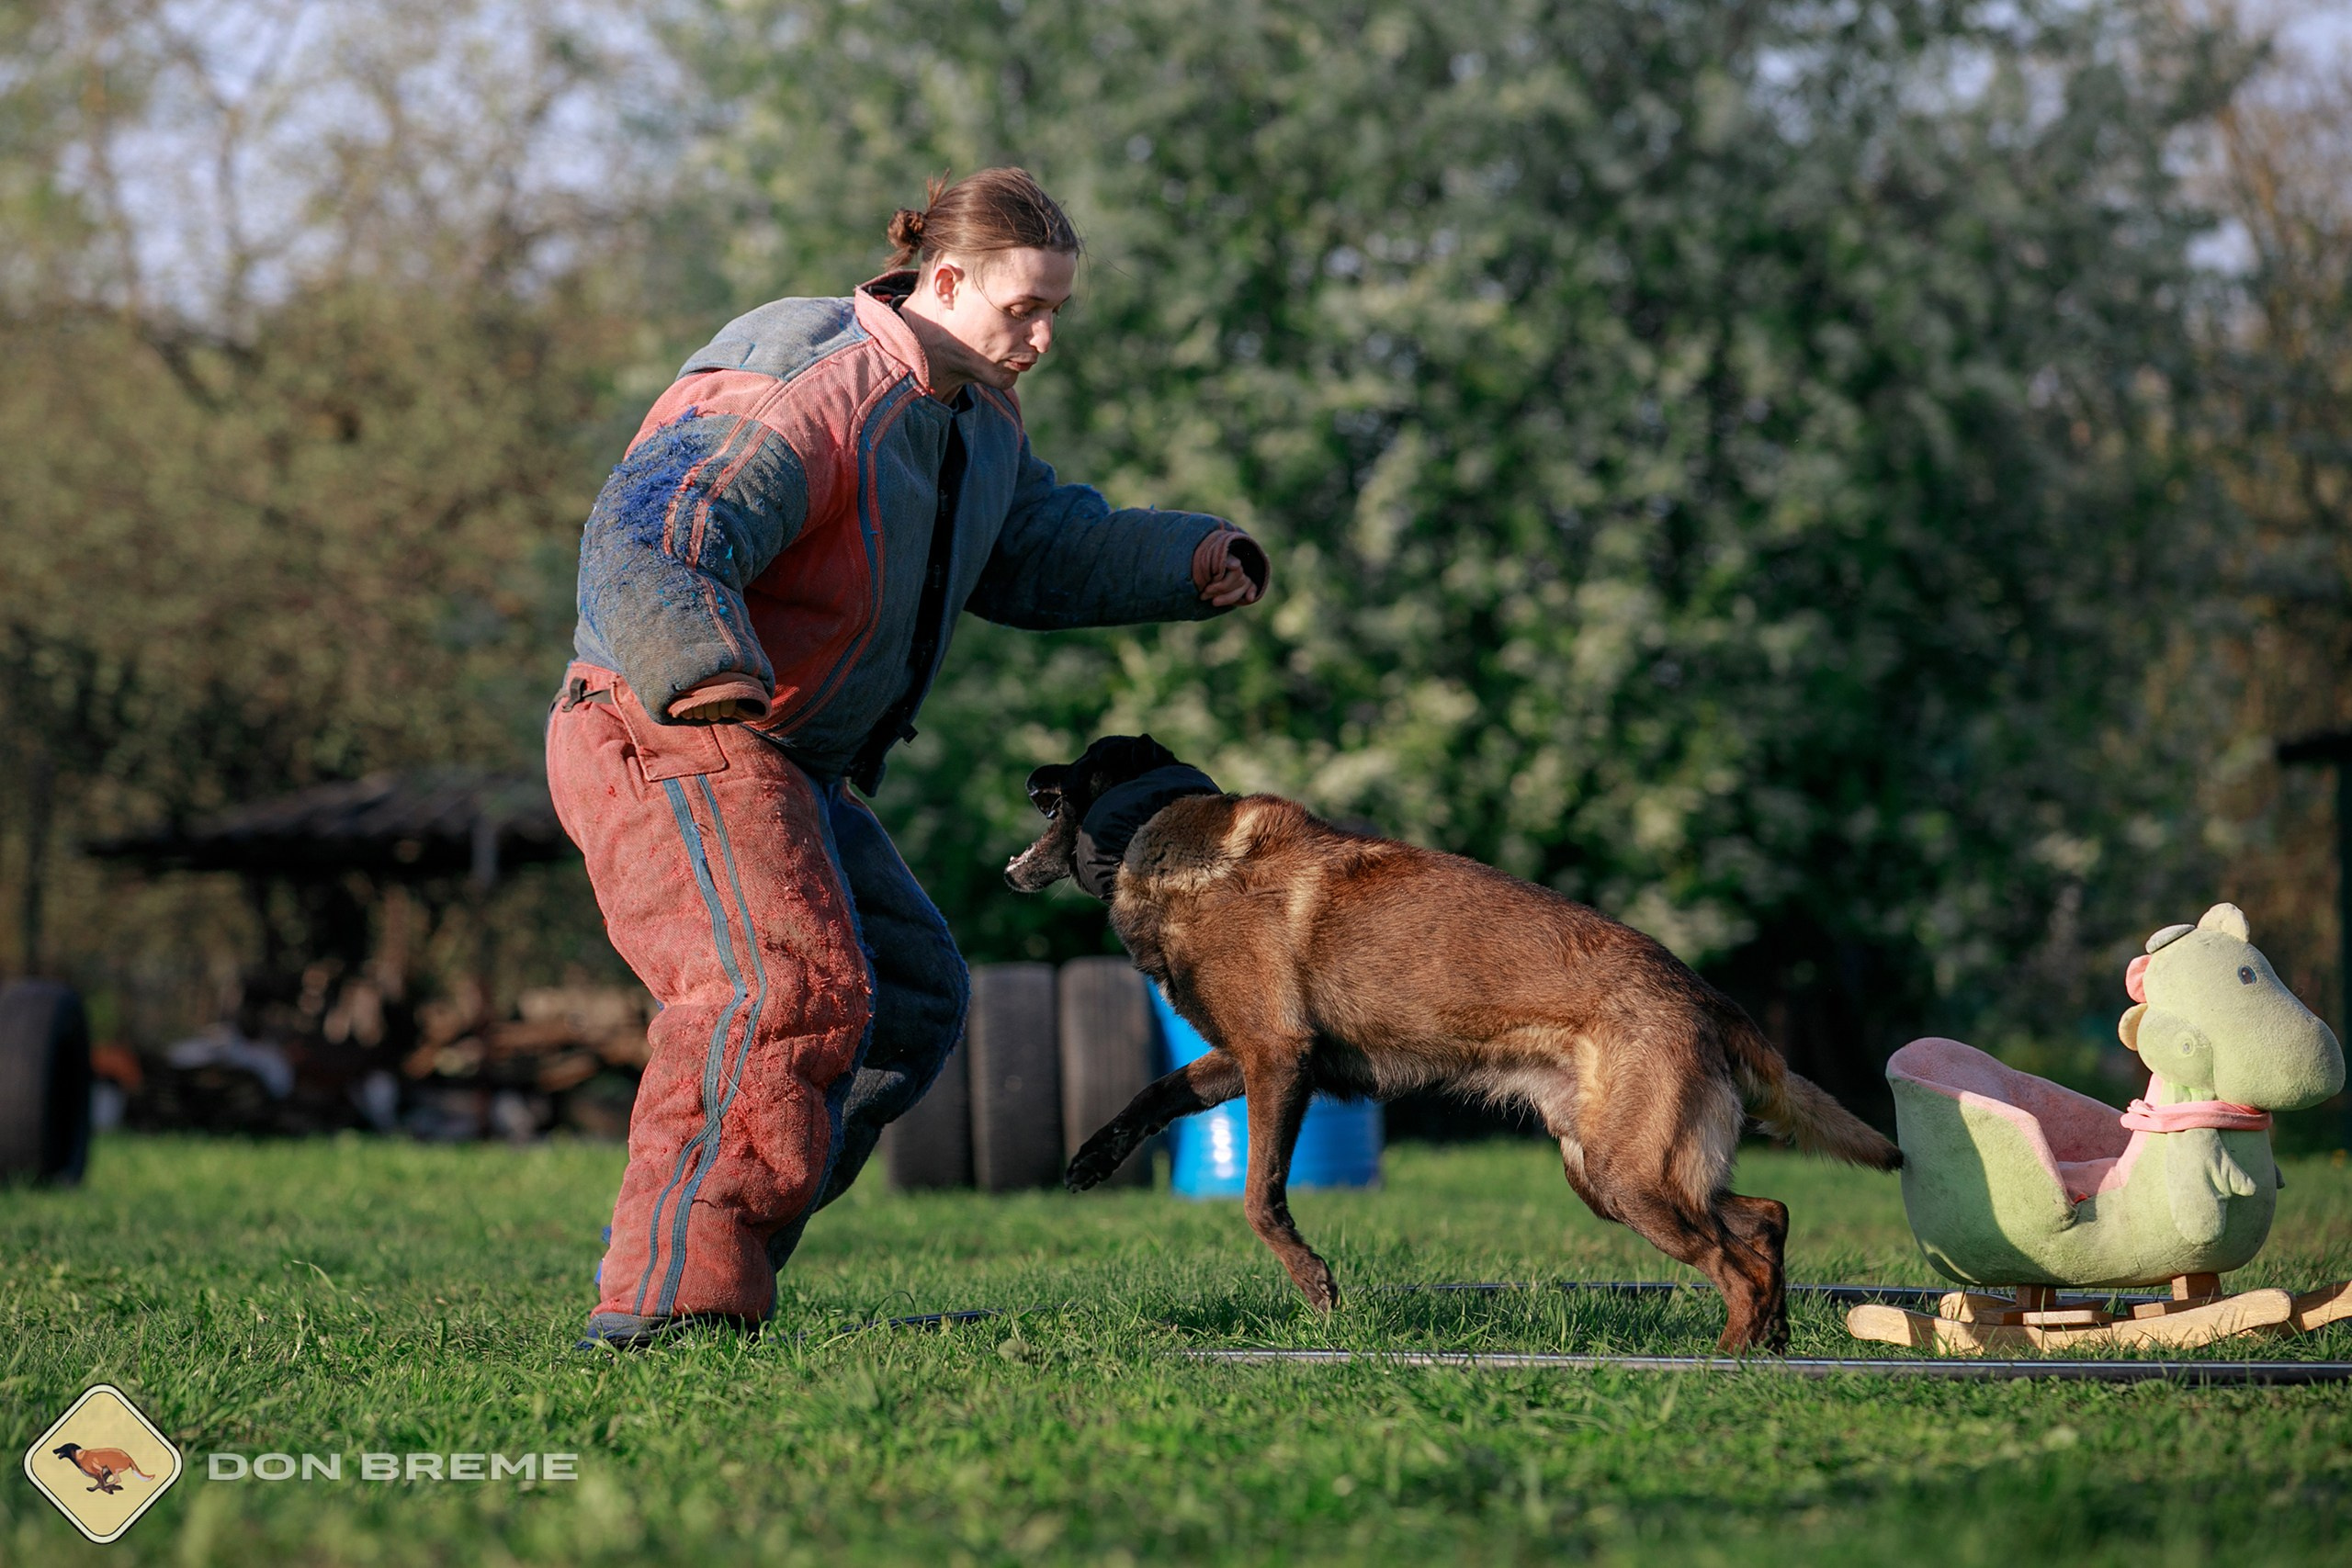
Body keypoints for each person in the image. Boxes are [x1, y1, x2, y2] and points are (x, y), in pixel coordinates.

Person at [548, 167, 1268, 1347]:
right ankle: (668, 1301)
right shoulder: (807, 376)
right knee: (779, 990)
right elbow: (654, 524)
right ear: (943, 279)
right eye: (1021, 308)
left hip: (783, 759)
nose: (1040, 337)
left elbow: (1027, 546)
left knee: (912, 997)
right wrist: (698, 653)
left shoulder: (971, 413)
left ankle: (704, 1257)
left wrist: (1185, 560)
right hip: (668, 723)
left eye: (1056, 313)